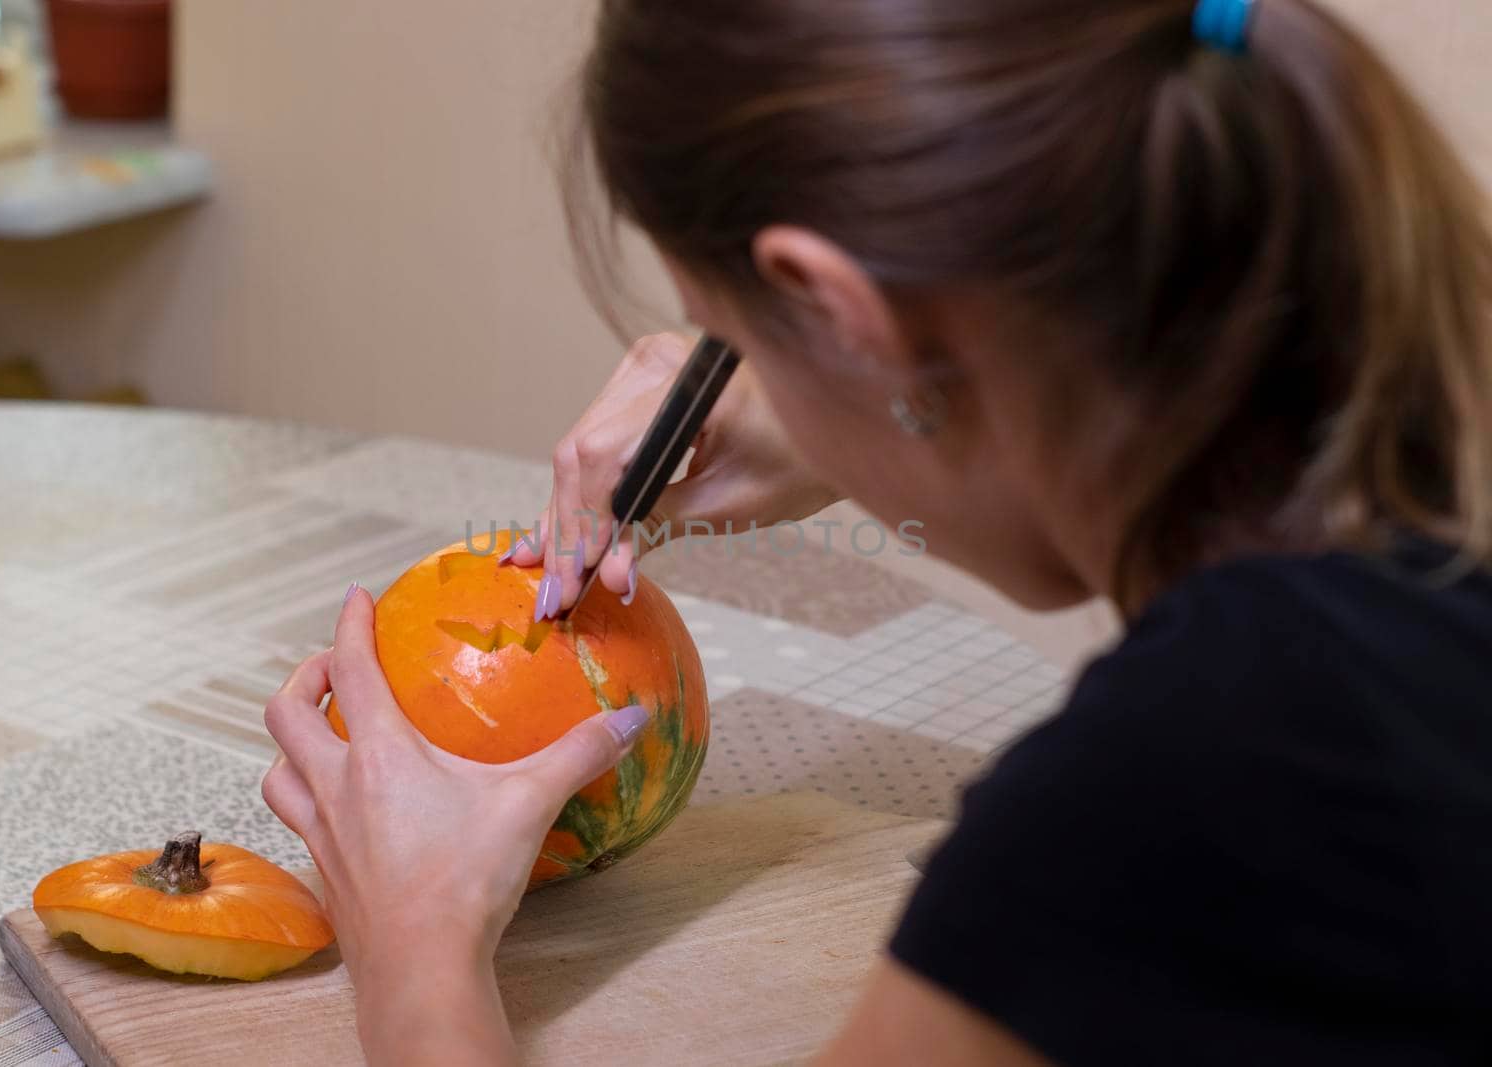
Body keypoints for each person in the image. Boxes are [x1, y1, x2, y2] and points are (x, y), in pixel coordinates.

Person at [259, 0, 1492, 1061]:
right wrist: (878, 407)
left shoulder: (1185, 777)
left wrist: (416, 946)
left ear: (845, 314)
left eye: (737, 341)